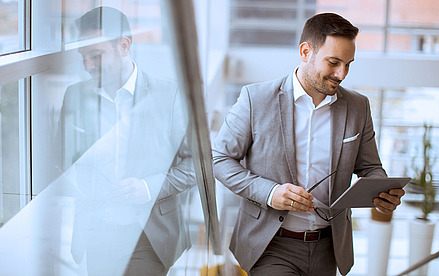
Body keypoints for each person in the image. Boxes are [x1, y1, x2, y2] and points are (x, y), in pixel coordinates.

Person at [212, 13, 405, 275]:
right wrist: (270, 193)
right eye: (334, 62)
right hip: (271, 245)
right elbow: (219, 159)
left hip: (329, 248)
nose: (341, 74)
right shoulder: (255, 99)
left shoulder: (359, 107)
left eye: (348, 64)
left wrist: (382, 191)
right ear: (305, 52)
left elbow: (370, 167)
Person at [58, 6, 195, 275]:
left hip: (148, 234)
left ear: (123, 46)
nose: (88, 66)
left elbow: (198, 165)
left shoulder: (170, 95)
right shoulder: (74, 96)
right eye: (83, 57)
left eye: (96, 56)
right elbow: (58, 159)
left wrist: (148, 187)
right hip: (96, 233)